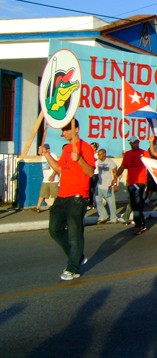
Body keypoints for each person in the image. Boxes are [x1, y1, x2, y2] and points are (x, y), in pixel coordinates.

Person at [39, 119, 95, 281]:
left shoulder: (85, 148)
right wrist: (46, 154)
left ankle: (73, 268)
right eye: (62, 131)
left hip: (77, 197)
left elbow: (90, 172)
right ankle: (77, 256)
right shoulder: (67, 149)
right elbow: (59, 169)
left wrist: (80, 159)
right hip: (62, 196)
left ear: (76, 129)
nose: (62, 133)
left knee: (74, 234)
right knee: (54, 230)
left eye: (65, 130)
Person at [113, 136, 151, 235]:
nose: (136, 144)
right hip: (131, 182)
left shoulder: (144, 153)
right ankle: (142, 224)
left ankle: (138, 226)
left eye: (137, 142)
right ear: (130, 143)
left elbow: (150, 165)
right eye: (134, 142)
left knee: (136, 205)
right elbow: (123, 166)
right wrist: (116, 176)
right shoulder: (127, 154)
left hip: (140, 182)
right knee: (135, 204)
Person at [95, 148, 118, 224]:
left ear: (104, 154)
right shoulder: (98, 162)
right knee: (97, 200)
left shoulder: (109, 162)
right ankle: (103, 215)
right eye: (98, 154)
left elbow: (115, 173)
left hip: (108, 186)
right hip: (99, 186)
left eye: (100, 154)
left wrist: (115, 184)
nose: (99, 156)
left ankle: (113, 218)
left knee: (111, 202)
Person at [36, 143, 59, 212]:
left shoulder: (53, 155)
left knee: (54, 194)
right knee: (42, 193)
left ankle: (56, 207)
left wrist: (52, 175)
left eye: (44, 149)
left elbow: (57, 166)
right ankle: (38, 207)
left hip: (53, 179)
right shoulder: (43, 157)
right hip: (45, 179)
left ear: (48, 150)